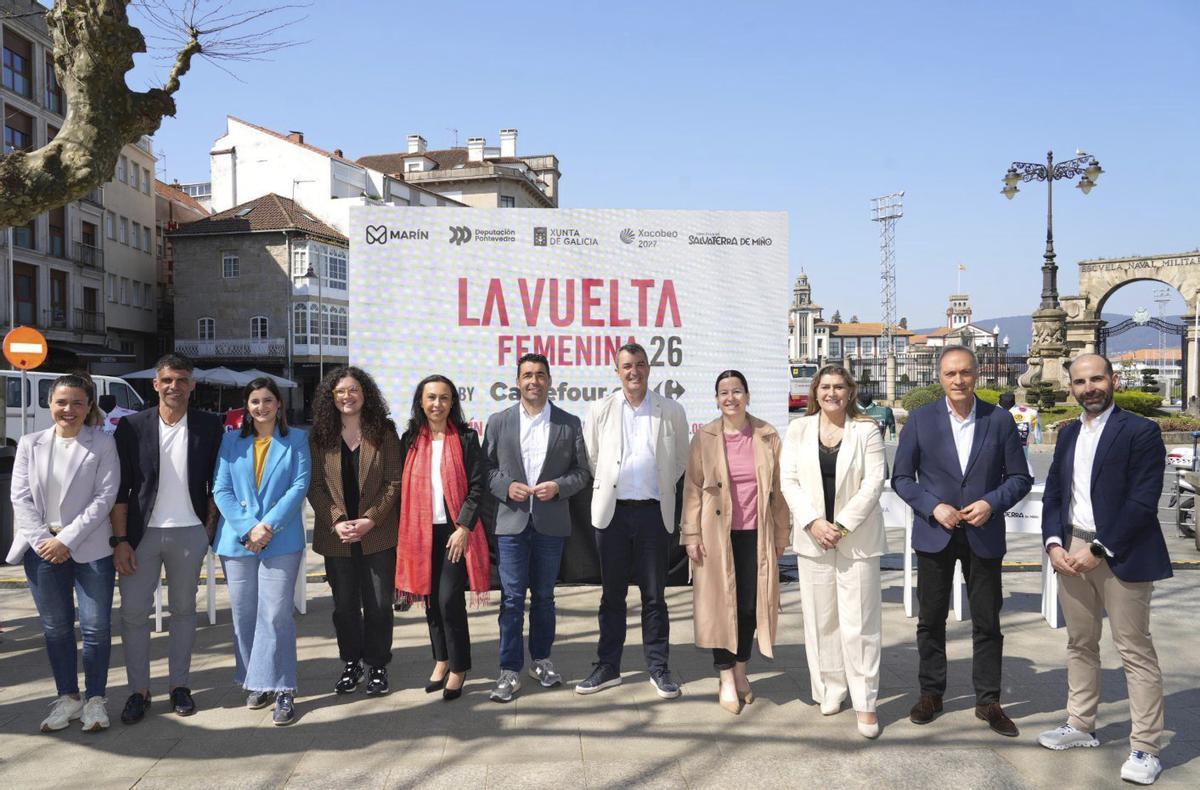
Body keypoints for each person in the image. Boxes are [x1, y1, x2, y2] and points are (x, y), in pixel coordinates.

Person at [1037, 354, 1171, 786]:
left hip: (1120, 550)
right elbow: (1055, 493)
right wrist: (1054, 543)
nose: (1089, 387)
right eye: (1081, 381)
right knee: (1080, 642)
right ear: (1072, 387)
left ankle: (1146, 747)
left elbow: (1142, 500)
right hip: (1071, 547)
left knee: (1134, 649)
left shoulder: (1141, 431)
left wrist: (1100, 548)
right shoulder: (1069, 432)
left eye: (1097, 379)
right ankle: (1080, 724)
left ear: (1112, 380)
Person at [892, 345, 1032, 736]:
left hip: (983, 533)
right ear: (940, 377)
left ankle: (988, 701)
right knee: (930, 620)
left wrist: (991, 502)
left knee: (987, 621)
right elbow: (901, 478)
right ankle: (931, 694)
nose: (958, 380)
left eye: (965, 373)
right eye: (951, 373)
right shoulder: (919, 421)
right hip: (936, 533)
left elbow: (1020, 478)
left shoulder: (999, 420)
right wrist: (932, 507)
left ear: (977, 375)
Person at [111, 354, 223, 724]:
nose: (175, 386)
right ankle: (139, 691)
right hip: (141, 536)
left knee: (184, 612)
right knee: (133, 614)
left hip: (189, 533)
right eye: (167, 380)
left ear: (192, 385)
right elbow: (121, 489)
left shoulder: (210, 426)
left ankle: (179, 686)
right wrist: (121, 540)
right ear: (155, 384)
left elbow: (215, 484)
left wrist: (208, 529)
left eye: (182, 380)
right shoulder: (131, 427)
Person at [576, 343, 690, 699]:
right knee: (612, 596)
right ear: (617, 370)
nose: (634, 372)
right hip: (613, 514)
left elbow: (680, 461)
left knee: (655, 596)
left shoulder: (670, 409)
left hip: (654, 514)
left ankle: (658, 667)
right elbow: (593, 458)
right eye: (627, 366)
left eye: (640, 365)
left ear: (649, 368)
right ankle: (608, 667)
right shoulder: (599, 409)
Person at [8, 375, 119, 733]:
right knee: (55, 629)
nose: (68, 410)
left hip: (91, 549)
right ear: (49, 404)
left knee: (96, 628)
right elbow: (20, 498)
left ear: (89, 407)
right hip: (41, 550)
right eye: (61, 402)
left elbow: (104, 498)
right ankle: (68, 697)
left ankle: (96, 699)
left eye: (76, 403)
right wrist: (45, 541)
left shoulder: (102, 444)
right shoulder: (30, 443)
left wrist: (66, 540)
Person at [780, 365, 887, 738]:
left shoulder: (867, 430)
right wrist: (814, 522)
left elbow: (874, 483)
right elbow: (788, 481)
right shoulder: (798, 430)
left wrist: (840, 525)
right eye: (825, 387)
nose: (831, 393)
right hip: (813, 539)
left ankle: (865, 701)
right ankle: (830, 689)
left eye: (839, 387)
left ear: (850, 391)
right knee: (821, 619)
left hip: (855, 540)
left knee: (859, 624)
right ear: (815, 391)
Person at [483, 353, 592, 703]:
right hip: (511, 524)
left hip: (550, 523)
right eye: (527, 375)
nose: (534, 381)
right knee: (513, 599)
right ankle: (509, 670)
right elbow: (485, 470)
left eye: (540, 375)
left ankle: (541, 661)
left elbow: (582, 473)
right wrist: (505, 487)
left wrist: (559, 486)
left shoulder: (569, 423)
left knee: (544, 597)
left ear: (549, 381)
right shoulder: (499, 422)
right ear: (517, 382)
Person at [681, 370, 789, 715]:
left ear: (747, 395)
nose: (731, 398)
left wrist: (782, 535)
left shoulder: (767, 435)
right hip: (715, 536)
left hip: (757, 534)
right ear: (716, 399)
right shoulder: (705, 437)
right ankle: (725, 677)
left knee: (747, 607)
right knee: (719, 607)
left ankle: (742, 671)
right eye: (724, 392)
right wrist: (691, 534)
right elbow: (693, 490)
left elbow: (780, 492)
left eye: (737, 391)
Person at [212, 377, 311, 726]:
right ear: (247, 406)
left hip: (279, 539)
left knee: (276, 615)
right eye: (255, 401)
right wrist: (247, 528)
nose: (261, 407)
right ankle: (256, 680)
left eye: (268, 400)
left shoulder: (296, 439)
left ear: (278, 404)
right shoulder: (230, 442)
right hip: (238, 542)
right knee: (244, 615)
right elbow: (221, 490)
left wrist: (265, 527)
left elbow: (299, 486)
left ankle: (282, 688)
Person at [307, 367, 403, 696]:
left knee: (378, 604)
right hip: (337, 537)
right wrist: (336, 520)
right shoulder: (320, 434)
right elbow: (315, 486)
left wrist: (370, 519)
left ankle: (377, 665)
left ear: (365, 395)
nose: (347, 397)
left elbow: (394, 482)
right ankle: (352, 663)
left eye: (354, 390)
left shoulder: (384, 431)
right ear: (330, 398)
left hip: (377, 534)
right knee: (345, 606)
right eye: (340, 392)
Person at [395, 374, 490, 702]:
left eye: (444, 398)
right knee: (430, 599)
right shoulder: (409, 439)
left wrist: (464, 527)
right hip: (419, 533)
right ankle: (441, 659)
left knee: (449, 599)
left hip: (455, 533)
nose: (437, 404)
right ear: (421, 402)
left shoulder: (465, 438)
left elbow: (478, 486)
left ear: (453, 402)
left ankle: (460, 666)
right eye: (431, 397)